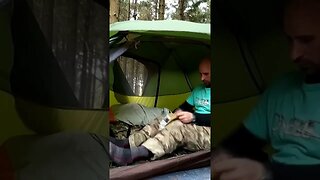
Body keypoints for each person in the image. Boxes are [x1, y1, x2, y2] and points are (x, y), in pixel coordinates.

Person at [212, 0, 320, 179]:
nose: (294, 54)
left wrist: (267, 174)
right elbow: (240, 143)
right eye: (289, 40)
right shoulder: (282, 87)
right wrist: (220, 157)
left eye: (306, 40)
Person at [109, 57, 211, 166]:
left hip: (209, 133)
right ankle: (128, 143)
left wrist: (194, 117)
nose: (201, 78)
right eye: (200, 74)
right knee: (164, 118)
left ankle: (134, 155)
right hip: (194, 125)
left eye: (206, 74)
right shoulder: (198, 90)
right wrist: (175, 113)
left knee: (177, 127)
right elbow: (184, 106)